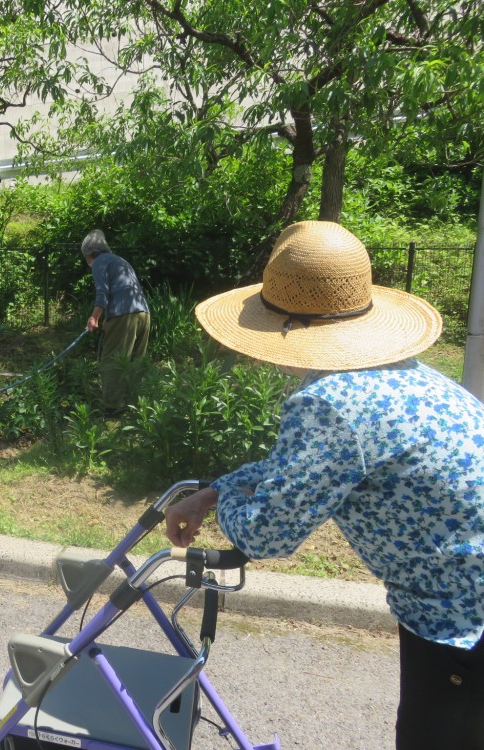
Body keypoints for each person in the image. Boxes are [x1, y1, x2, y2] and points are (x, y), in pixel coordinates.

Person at [163, 220, 484, 749]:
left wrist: (229, 512)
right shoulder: (399, 371)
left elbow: (267, 534)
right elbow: (299, 468)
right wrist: (217, 489)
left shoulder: (332, 403)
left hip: (459, 619)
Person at [81, 229, 150, 415]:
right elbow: (125, 289)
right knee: (135, 360)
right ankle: (135, 403)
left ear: (89, 255)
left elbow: (102, 292)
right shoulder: (120, 261)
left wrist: (94, 317)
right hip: (144, 313)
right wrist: (109, 318)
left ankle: (113, 407)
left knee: (112, 361)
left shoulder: (98, 263)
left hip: (124, 315)